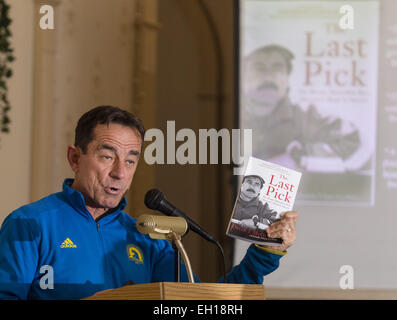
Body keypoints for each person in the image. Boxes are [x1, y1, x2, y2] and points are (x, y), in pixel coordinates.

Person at [0, 106, 298, 300]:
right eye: (107, 157)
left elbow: (202, 305)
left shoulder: (149, 238)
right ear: (75, 158)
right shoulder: (29, 224)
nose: (120, 172)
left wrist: (264, 251)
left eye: (131, 161)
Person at [242, 44, 366, 172]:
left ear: (287, 80)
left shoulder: (304, 116)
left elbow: (353, 140)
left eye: (277, 69)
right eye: (259, 68)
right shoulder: (228, 113)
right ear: (243, 76)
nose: (269, 76)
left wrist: (299, 154)